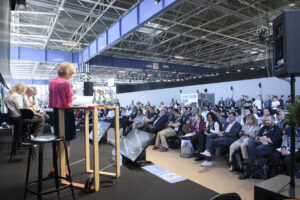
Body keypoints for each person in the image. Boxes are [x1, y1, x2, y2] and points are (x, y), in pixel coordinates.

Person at [48, 62, 77, 177]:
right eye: (71, 74)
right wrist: (73, 99)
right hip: (66, 115)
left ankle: (54, 168)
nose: (71, 76)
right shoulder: (67, 84)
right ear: (68, 73)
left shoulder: (51, 82)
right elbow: (69, 104)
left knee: (58, 142)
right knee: (66, 143)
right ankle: (65, 170)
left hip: (55, 114)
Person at [239, 115, 282, 179]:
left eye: (268, 120)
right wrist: (263, 139)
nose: (266, 122)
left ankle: (247, 171)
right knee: (251, 141)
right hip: (261, 143)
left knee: (254, 150)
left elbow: (272, 141)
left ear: (273, 120)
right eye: (265, 120)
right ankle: (251, 163)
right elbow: (256, 137)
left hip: (271, 147)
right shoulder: (264, 127)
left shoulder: (277, 129)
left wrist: (262, 139)